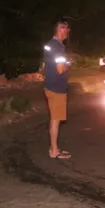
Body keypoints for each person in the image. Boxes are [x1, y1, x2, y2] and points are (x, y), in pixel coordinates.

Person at [43, 18, 72, 159]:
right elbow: (60, 69)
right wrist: (68, 64)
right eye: (66, 28)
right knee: (56, 119)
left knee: (55, 118)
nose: (68, 31)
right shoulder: (59, 47)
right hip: (56, 88)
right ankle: (54, 150)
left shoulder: (50, 44)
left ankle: (55, 148)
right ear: (60, 29)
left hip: (50, 85)